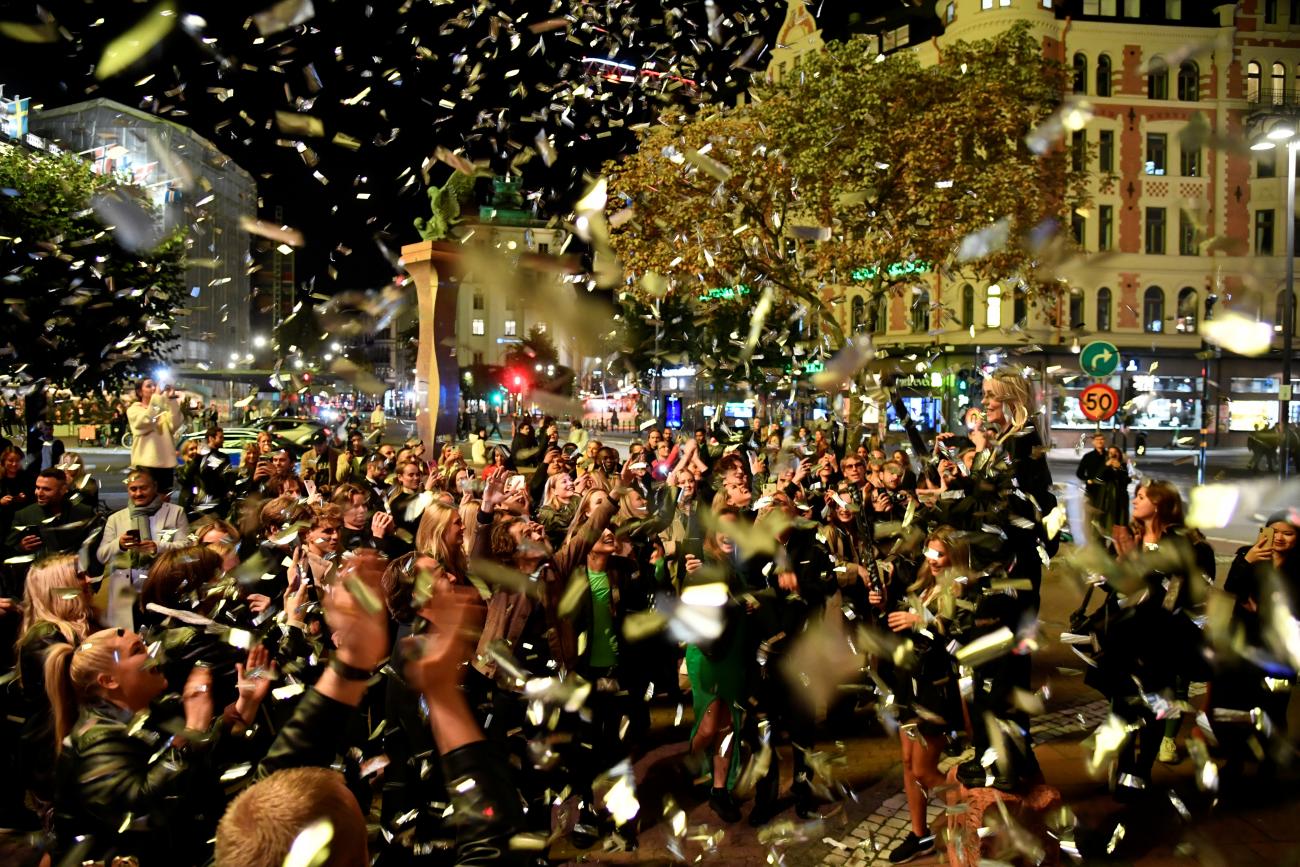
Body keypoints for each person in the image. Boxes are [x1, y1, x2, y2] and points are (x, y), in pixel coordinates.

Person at [97, 470, 190, 629]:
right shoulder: (116, 518)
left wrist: (158, 547)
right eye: (133, 489)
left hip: (161, 583)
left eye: (143, 488)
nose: (138, 493)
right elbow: (102, 555)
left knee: (162, 631)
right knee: (127, 636)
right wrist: (119, 544)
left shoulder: (175, 512)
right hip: (126, 587)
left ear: (154, 487)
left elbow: (186, 547)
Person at [5, 468, 97, 562]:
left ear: (63, 490)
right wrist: (21, 547)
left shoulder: (84, 512)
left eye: (46, 489)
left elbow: (94, 549)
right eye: (37, 487)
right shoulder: (24, 515)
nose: (39, 493)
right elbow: (8, 550)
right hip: (38, 572)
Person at [127, 378, 182, 492]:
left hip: (166, 464)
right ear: (140, 392)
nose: (153, 388)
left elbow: (175, 424)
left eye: (154, 385)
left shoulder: (162, 409)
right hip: (145, 465)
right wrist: (157, 398)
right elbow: (146, 420)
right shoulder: (134, 410)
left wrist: (171, 399)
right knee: (146, 499)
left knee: (165, 500)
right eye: (148, 386)